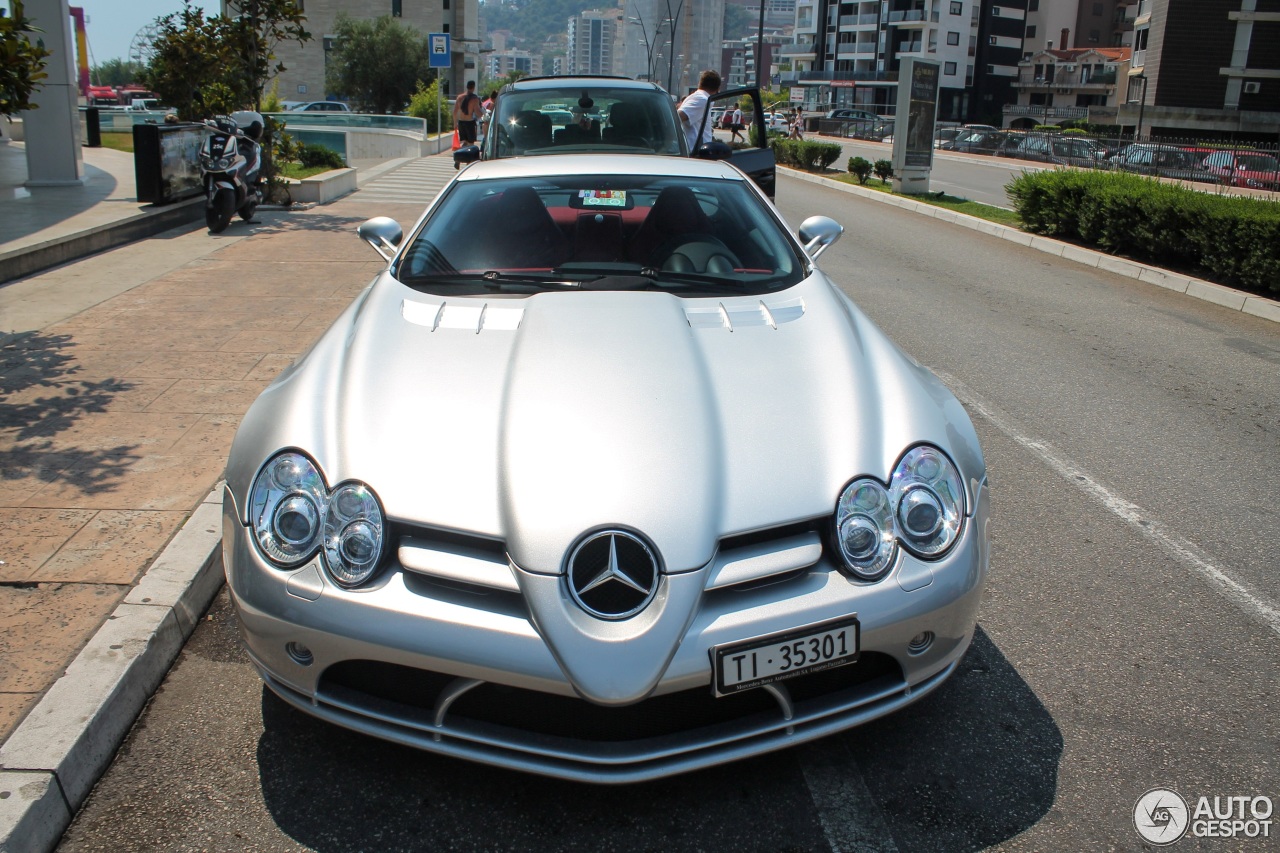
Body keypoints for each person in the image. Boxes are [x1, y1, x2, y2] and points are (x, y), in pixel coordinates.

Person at [677, 69, 721, 153]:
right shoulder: (702, 99)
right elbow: (678, 116)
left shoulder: (697, 97)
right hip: (697, 153)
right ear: (718, 89)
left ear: (700, 83)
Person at [454, 80, 482, 145]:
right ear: (474, 87)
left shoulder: (459, 97)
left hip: (461, 122)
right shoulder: (475, 99)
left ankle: (463, 153)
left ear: (467, 87)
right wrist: (485, 117)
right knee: (471, 143)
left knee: (464, 142)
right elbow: (477, 112)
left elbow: (455, 112)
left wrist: (455, 123)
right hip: (469, 123)